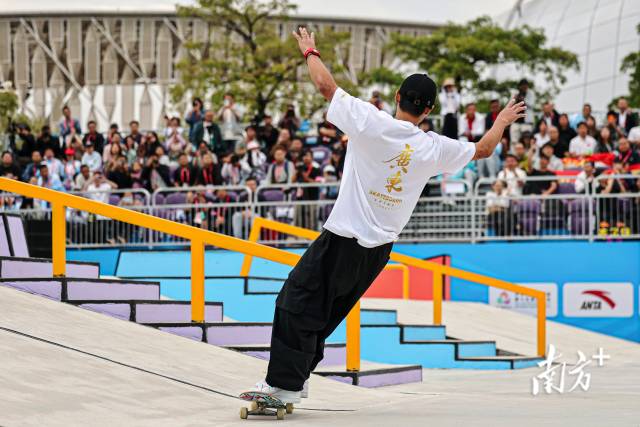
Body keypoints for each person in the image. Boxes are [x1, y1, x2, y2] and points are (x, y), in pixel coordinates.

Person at [248, 27, 527, 403]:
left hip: (343, 238)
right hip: (377, 253)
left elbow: (326, 87)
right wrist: (502, 121)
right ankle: (294, 380)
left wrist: (310, 51)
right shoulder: (434, 147)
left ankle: (283, 386)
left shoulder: (370, 121)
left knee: (293, 302)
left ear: (397, 97)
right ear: (428, 111)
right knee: (326, 313)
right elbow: (483, 149)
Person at [510, 79, 535, 144]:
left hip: (526, 123)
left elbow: (531, 104)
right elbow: (510, 105)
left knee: (526, 142)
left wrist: (523, 99)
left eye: (525, 85)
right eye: (522, 85)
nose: (524, 87)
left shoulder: (530, 93)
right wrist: (515, 98)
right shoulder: (515, 93)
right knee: (514, 142)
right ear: (519, 86)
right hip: (516, 121)